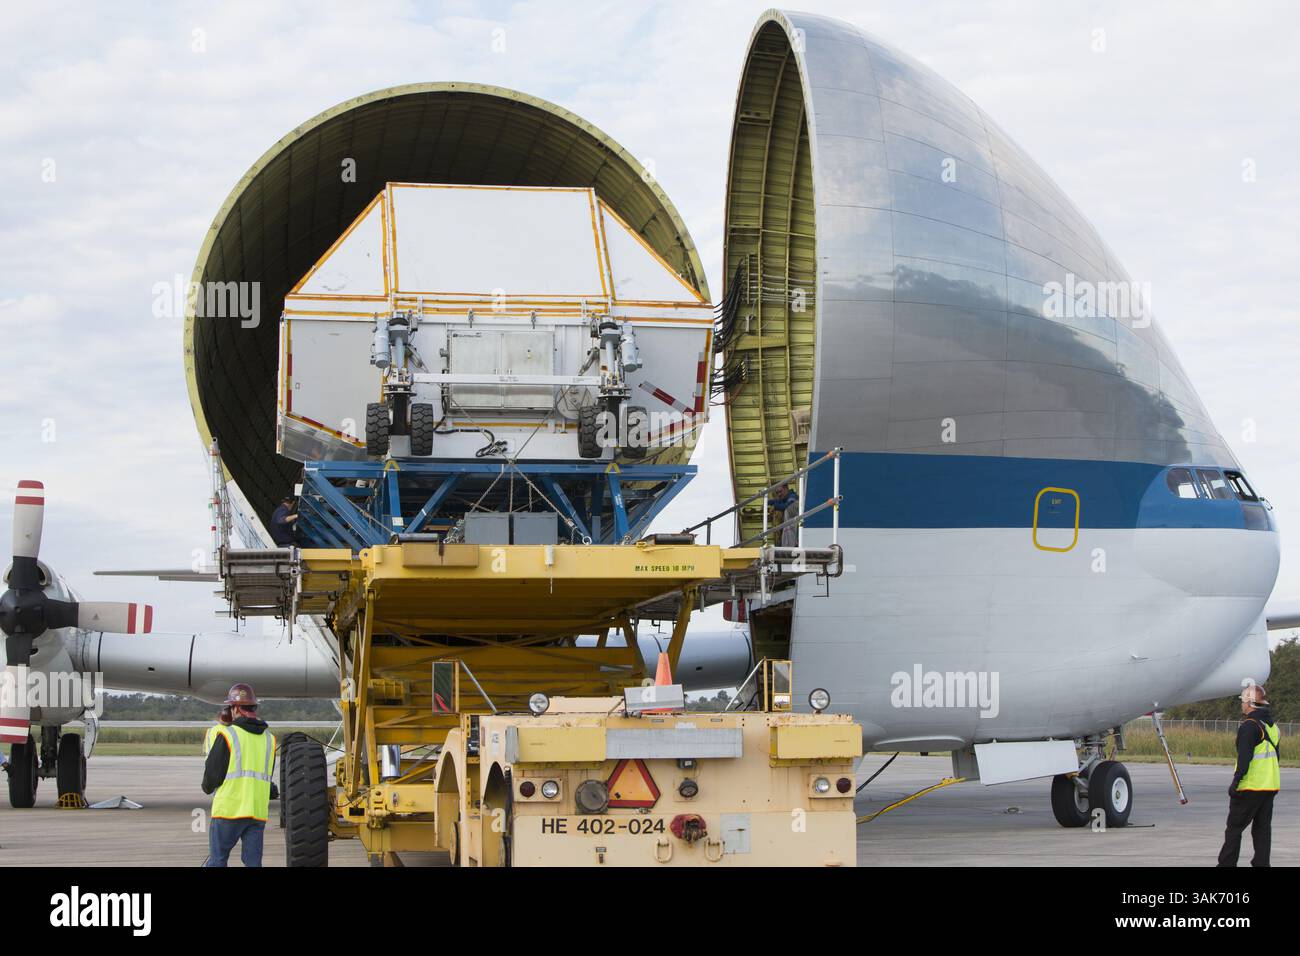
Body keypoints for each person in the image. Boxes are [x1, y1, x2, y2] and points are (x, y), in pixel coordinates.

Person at [202, 683, 277, 867]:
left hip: (229, 810)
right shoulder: (270, 739)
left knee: (218, 861)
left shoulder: (228, 735)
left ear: (235, 708)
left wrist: (207, 787)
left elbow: (212, 775)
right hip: (256, 812)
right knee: (253, 864)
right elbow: (266, 775)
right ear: (253, 707)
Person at [1216, 683, 1280, 867]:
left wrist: (1236, 783)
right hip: (1269, 786)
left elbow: (1244, 760)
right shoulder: (1272, 727)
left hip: (1250, 787)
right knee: (1262, 831)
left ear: (1251, 703)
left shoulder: (1249, 726)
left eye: (1243, 701)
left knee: (1234, 830)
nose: (1242, 705)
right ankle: (1262, 864)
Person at [768, 482, 800, 547]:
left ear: (786, 489)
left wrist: (775, 507)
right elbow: (776, 501)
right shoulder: (785, 498)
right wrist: (767, 502)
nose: (779, 494)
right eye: (777, 493)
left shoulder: (792, 497)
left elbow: (786, 506)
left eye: (780, 491)